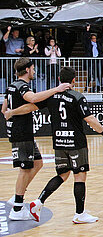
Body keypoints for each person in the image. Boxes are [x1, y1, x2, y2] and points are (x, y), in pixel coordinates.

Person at [5, 67, 103, 224]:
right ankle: (79, 214)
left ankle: (39, 202)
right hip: (76, 142)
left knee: (62, 174)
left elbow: (29, 107)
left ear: (59, 80)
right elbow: (90, 119)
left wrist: (12, 112)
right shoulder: (77, 97)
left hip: (59, 142)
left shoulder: (51, 97)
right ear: (74, 80)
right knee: (79, 176)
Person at [1, 57, 70, 220]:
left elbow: (4, 108)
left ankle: (17, 195)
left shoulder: (11, 86)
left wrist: (11, 113)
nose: (34, 71)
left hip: (19, 131)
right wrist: (56, 89)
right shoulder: (23, 87)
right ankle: (17, 208)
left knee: (38, 163)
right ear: (27, 70)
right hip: (21, 132)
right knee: (24, 169)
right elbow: (32, 98)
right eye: (33, 68)